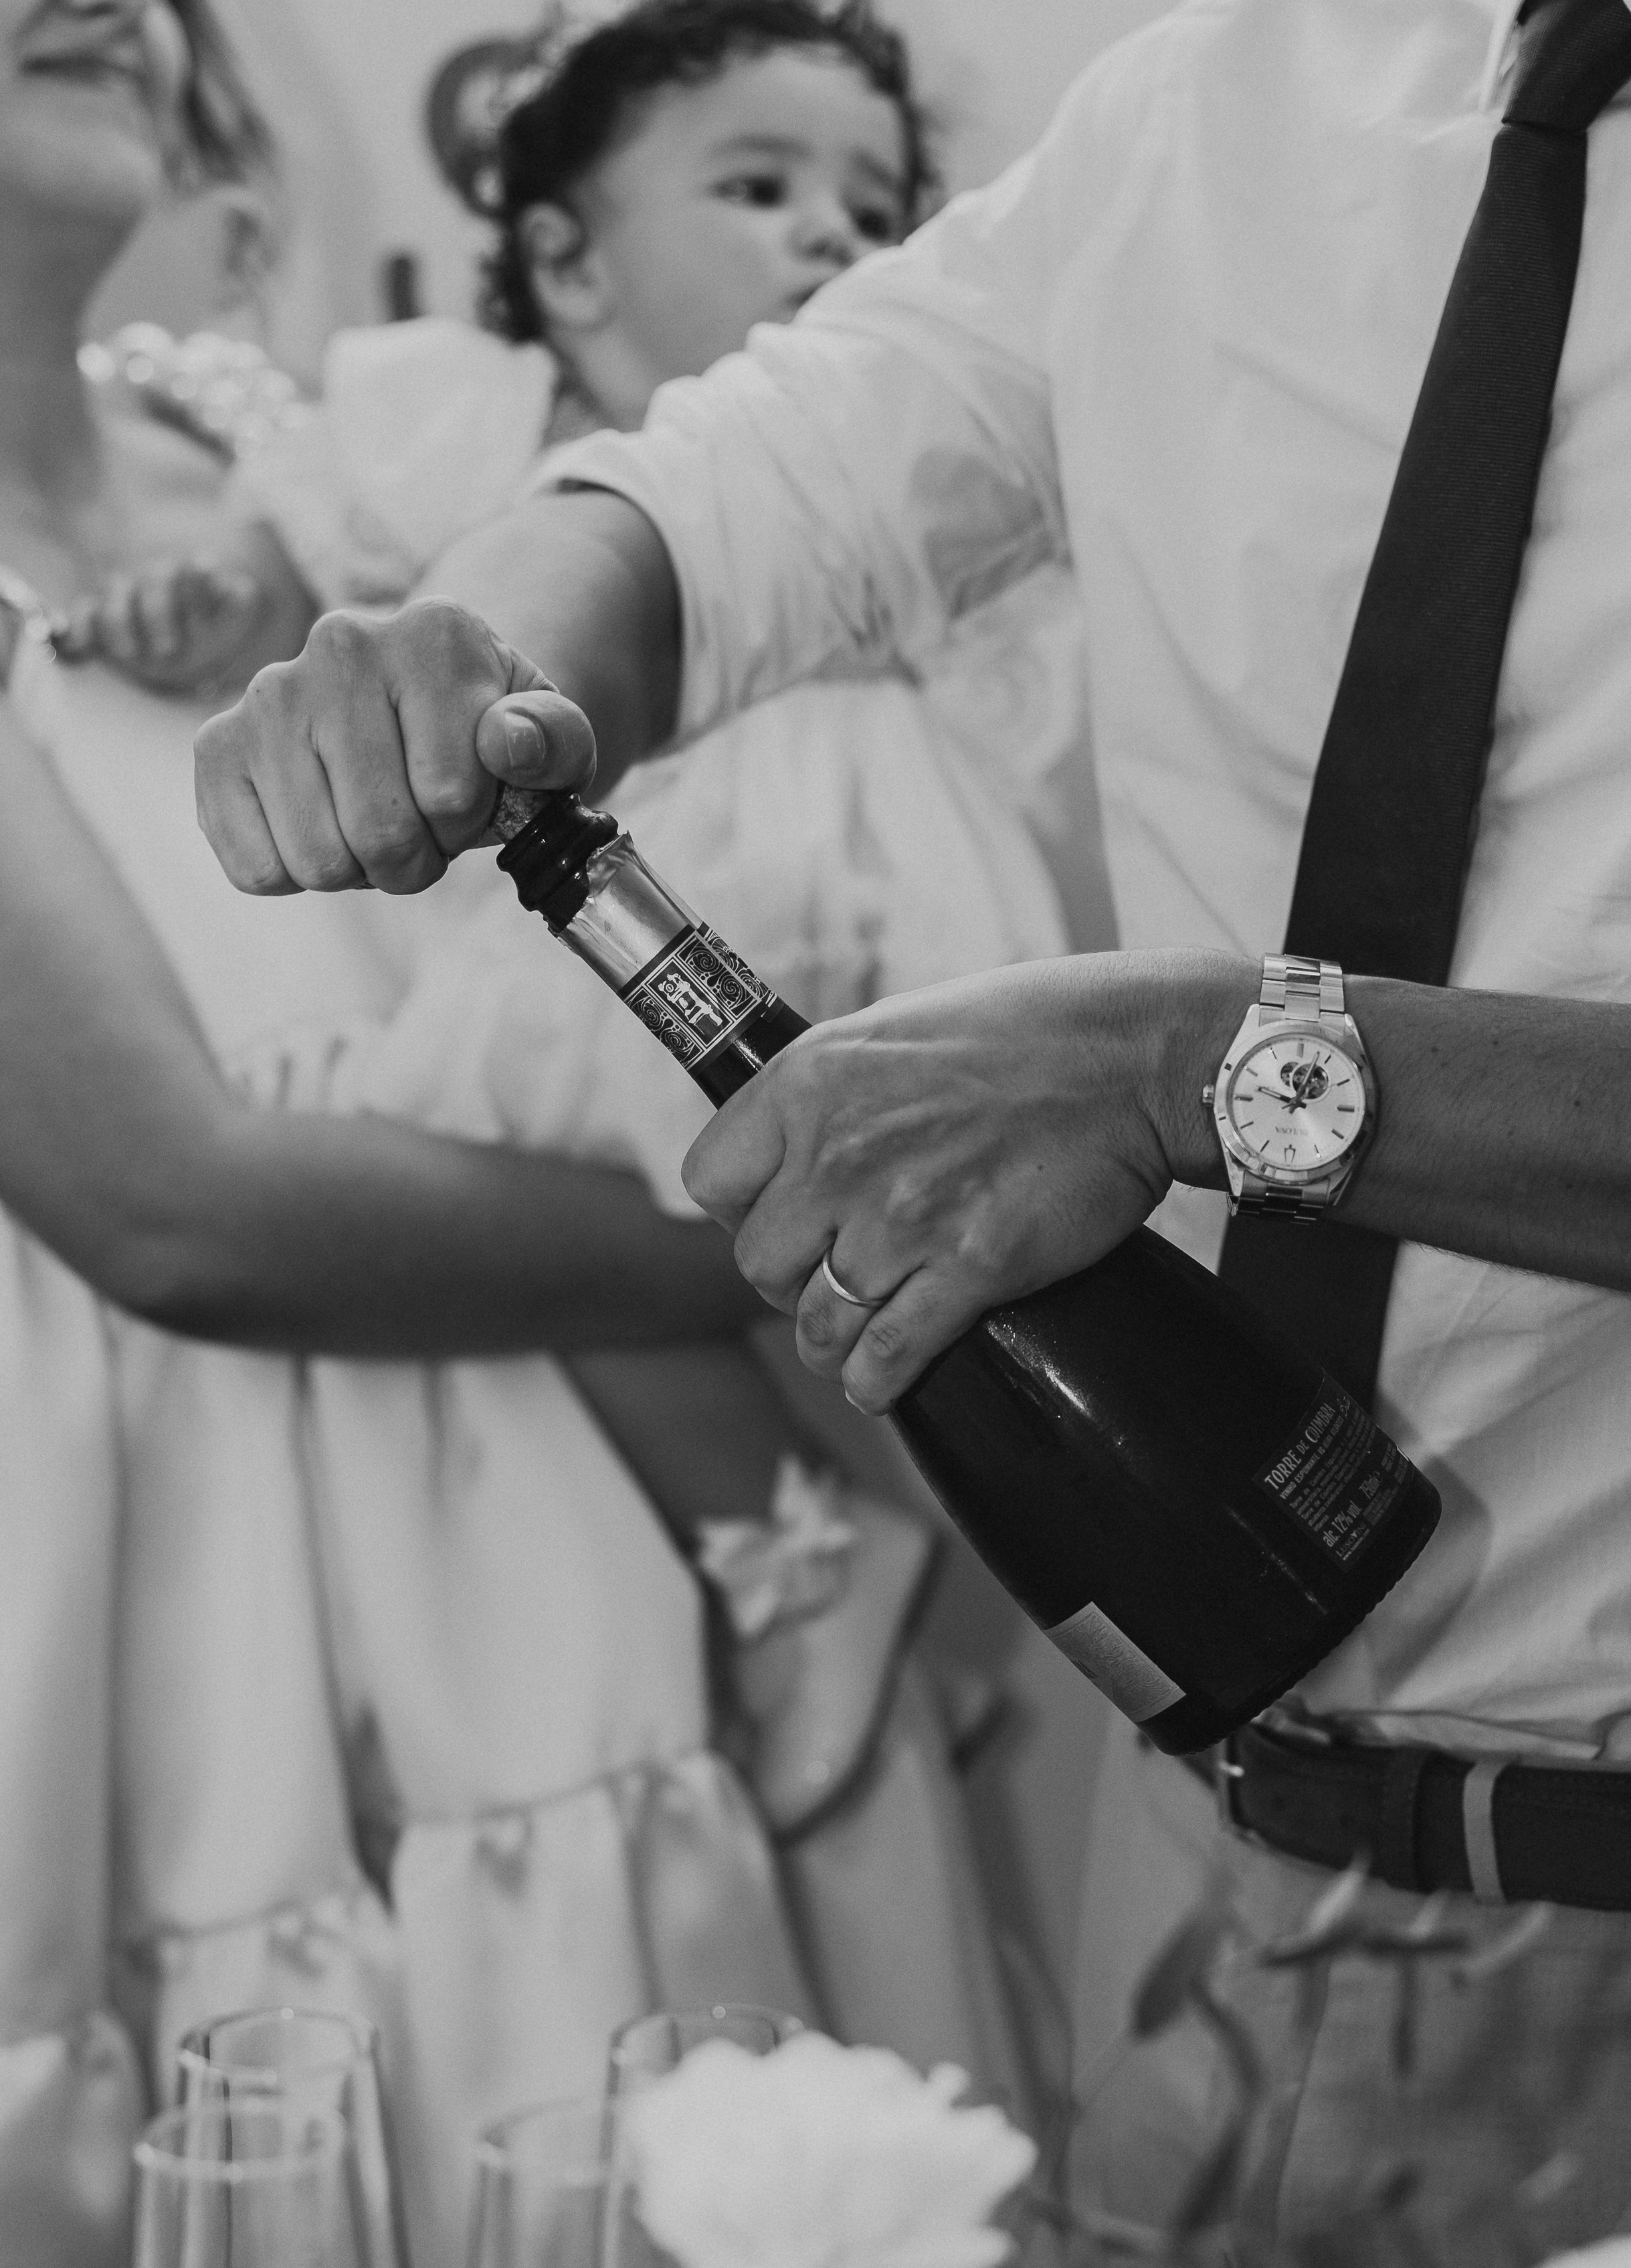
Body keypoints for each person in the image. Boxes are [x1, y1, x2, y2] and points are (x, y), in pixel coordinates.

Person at [196, 0, 1631, 2268]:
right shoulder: (1231, 98)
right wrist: (480, 648)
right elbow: (738, 495)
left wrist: (1192, 1069)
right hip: (1174, 1858)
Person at [0, 0, 812, 2268]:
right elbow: (170, 1200)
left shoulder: (263, 451)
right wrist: (801, 1221)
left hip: (511, 1560)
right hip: (121, 1658)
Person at [85, 0, 1089, 1856]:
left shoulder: (892, 465)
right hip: (622, 895)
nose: (827, 238)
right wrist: (200, 607)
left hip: (833, 898)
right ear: (563, 260)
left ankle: (816, 1557)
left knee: (774, 1221)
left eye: (871, 210)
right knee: (510, 1167)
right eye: (761, 184)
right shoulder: (477, 426)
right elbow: (310, 574)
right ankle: (789, 1551)